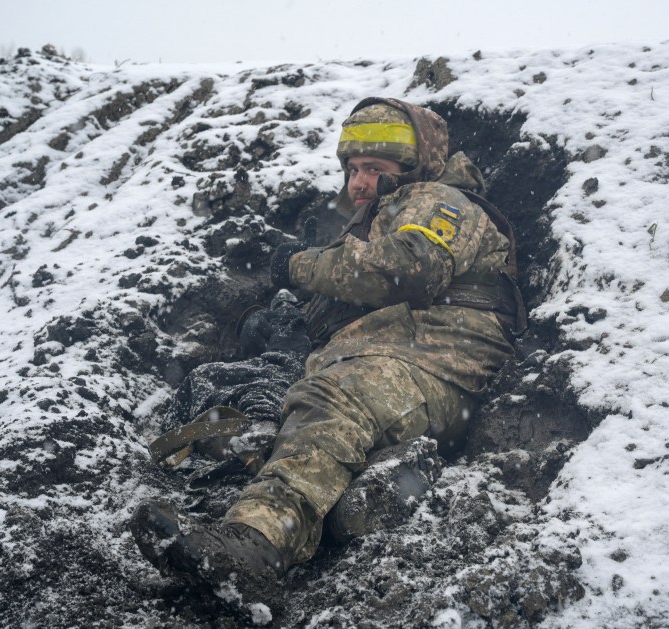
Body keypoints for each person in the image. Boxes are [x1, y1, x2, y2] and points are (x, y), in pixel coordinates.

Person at [130, 97, 525, 601]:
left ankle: (256, 543)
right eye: (351, 169)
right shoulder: (383, 218)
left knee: (332, 400)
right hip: (410, 378)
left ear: (413, 167)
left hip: (435, 368)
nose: (358, 182)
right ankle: (359, 506)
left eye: (374, 168)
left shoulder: (438, 202)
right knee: (304, 424)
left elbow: (408, 269)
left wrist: (298, 265)